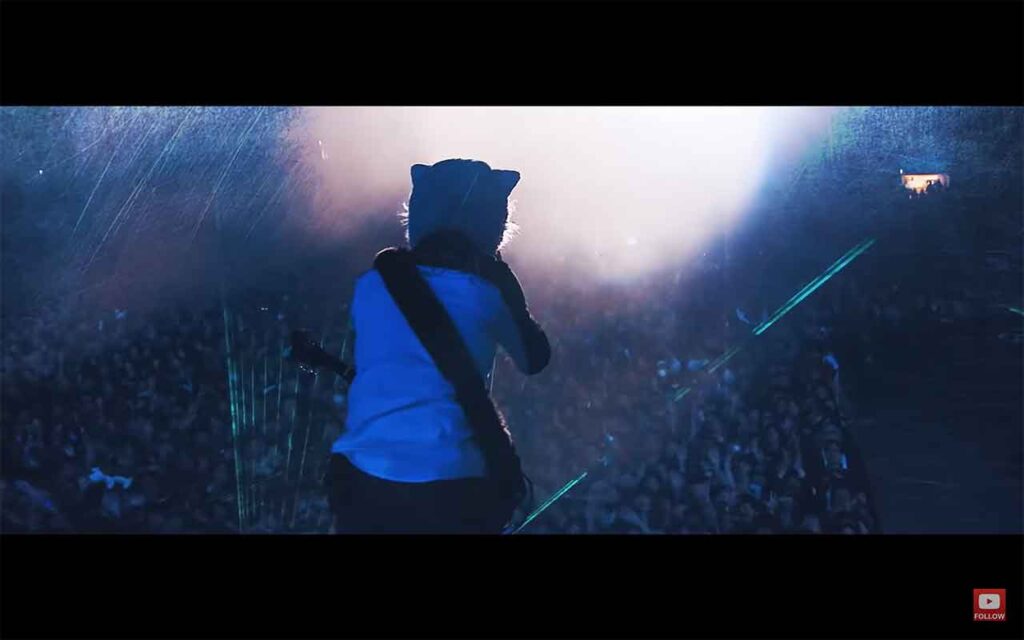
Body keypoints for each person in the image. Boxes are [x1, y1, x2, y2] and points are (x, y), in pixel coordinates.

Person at [326, 159, 551, 533]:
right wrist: (505, 283)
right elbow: (534, 359)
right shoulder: (485, 293)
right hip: (452, 485)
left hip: (365, 481)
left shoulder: (372, 286)